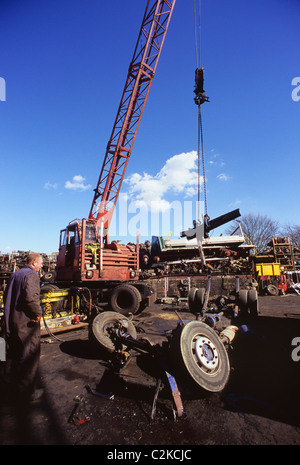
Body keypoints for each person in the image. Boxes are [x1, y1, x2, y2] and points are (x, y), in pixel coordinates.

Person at [3, 252, 44, 401]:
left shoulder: (15, 275)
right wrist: (37, 314)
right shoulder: (32, 275)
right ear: (33, 263)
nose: (41, 266)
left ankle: (8, 388)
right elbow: (31, 298)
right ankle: (26, 393)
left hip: (11, 322)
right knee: (29, 356)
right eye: (40, 263)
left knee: (11, 355)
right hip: (25, 324)